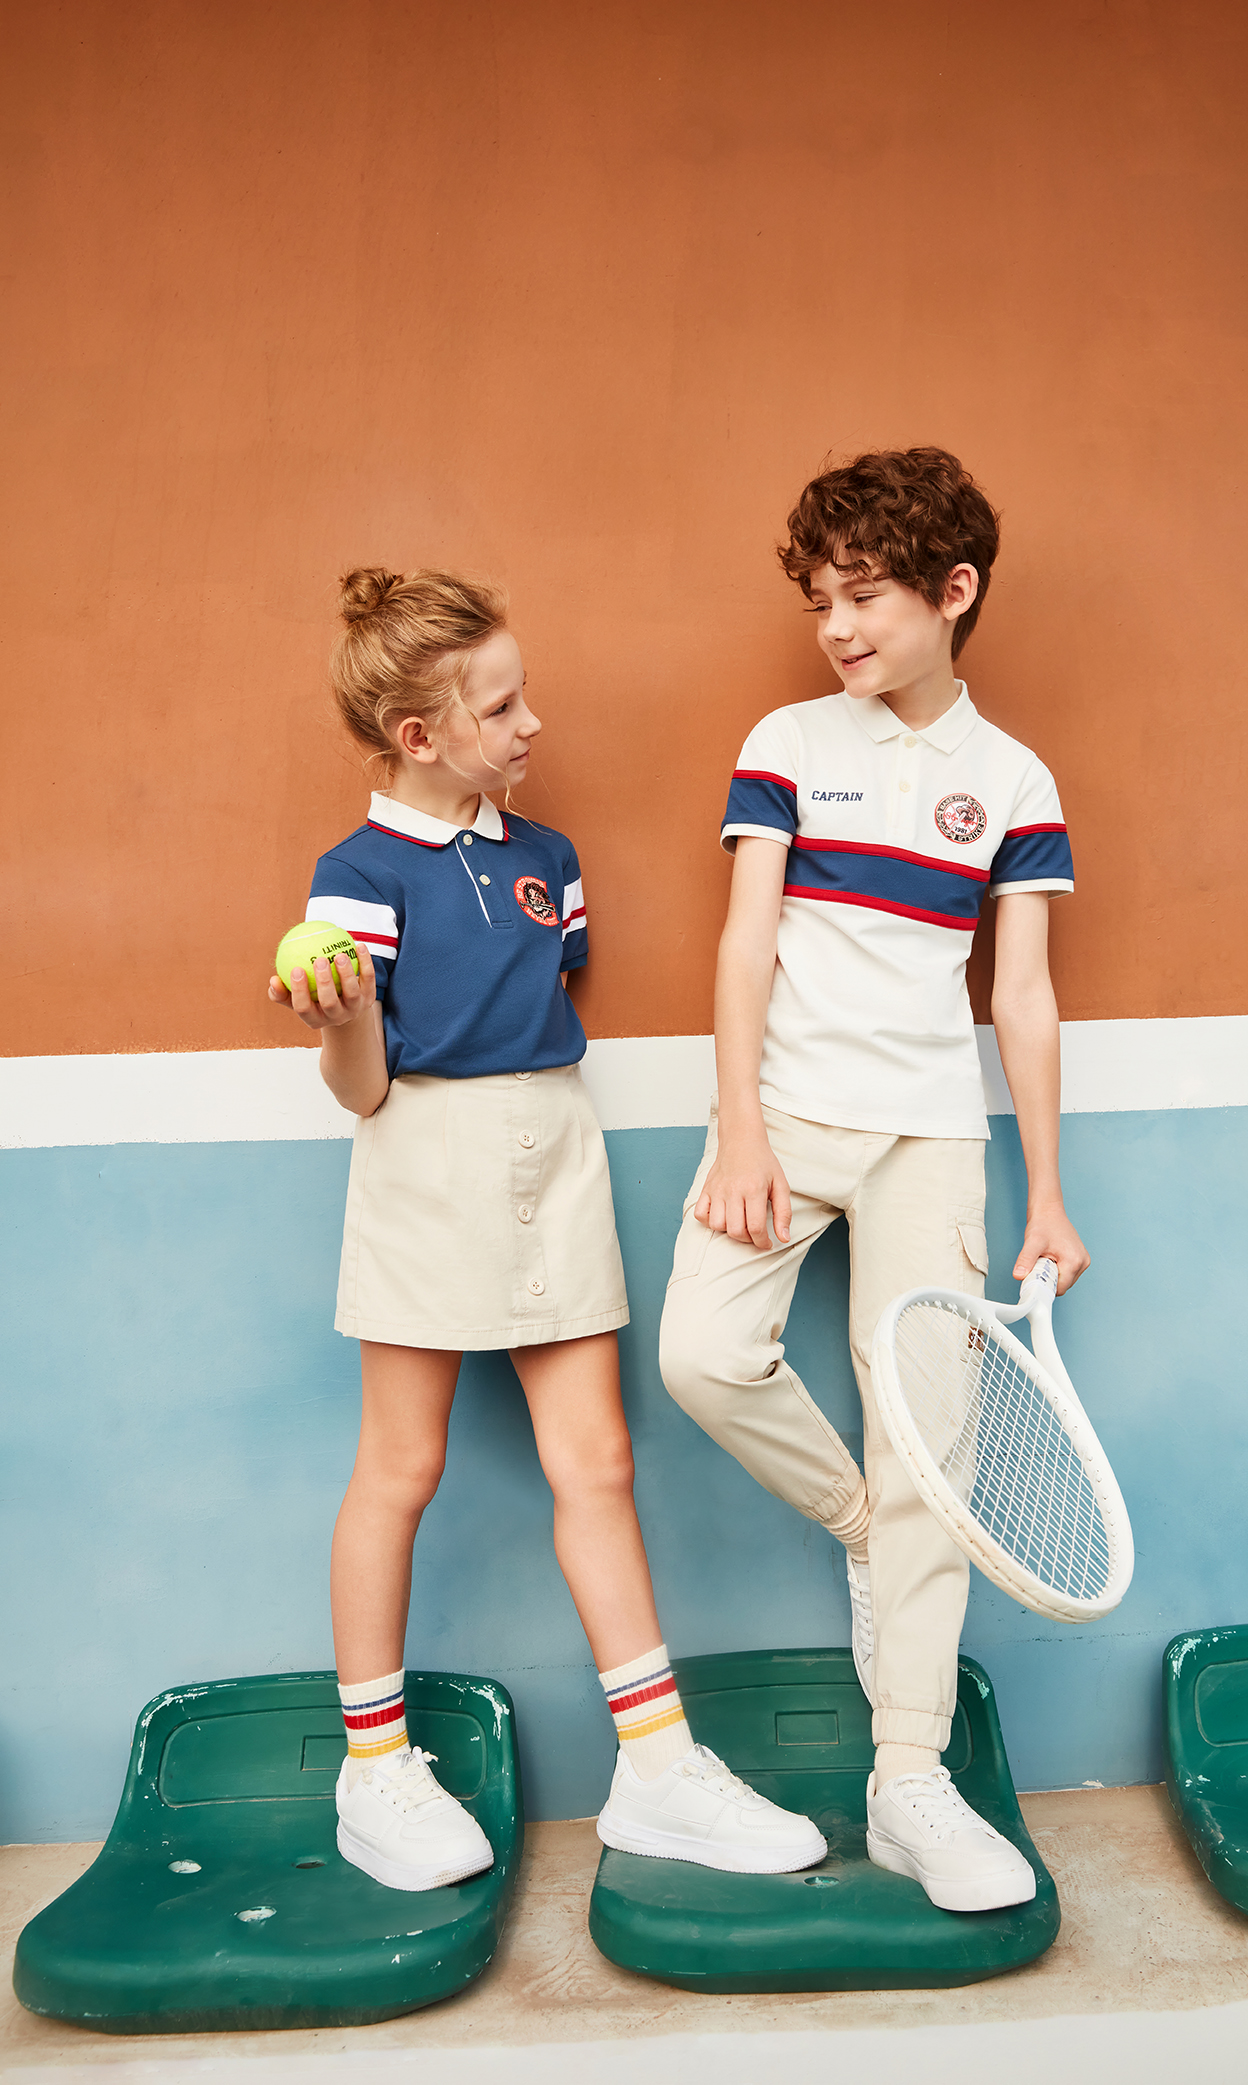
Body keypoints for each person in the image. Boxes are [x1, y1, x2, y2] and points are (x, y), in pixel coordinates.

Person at [269, 567, 826, 1892]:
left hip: (557, 1149)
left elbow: (544, 1000)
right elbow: (365, 1089)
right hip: (423, 1160)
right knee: (400, 1467)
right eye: (503, 707)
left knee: (600, 1462)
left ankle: (657, 1768)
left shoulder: (547, 863)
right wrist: (341, 1021)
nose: (532, 724)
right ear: (420, 734)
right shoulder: (352, 878)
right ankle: (372, 1769)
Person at [659, 451, 1088, 1915]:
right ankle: (861, 1526)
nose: (835, 627)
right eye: (819, 601)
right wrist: (739, 1129)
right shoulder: (785, 741)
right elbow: (745, 943)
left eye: (864, 597)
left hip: (932, 1140)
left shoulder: (1014, 778)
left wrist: (1045, 1190)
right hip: (784, 1117)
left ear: (952, 591)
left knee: (937, 1457)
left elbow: (1019, 995)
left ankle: (910, 1781)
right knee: (703, 1355)